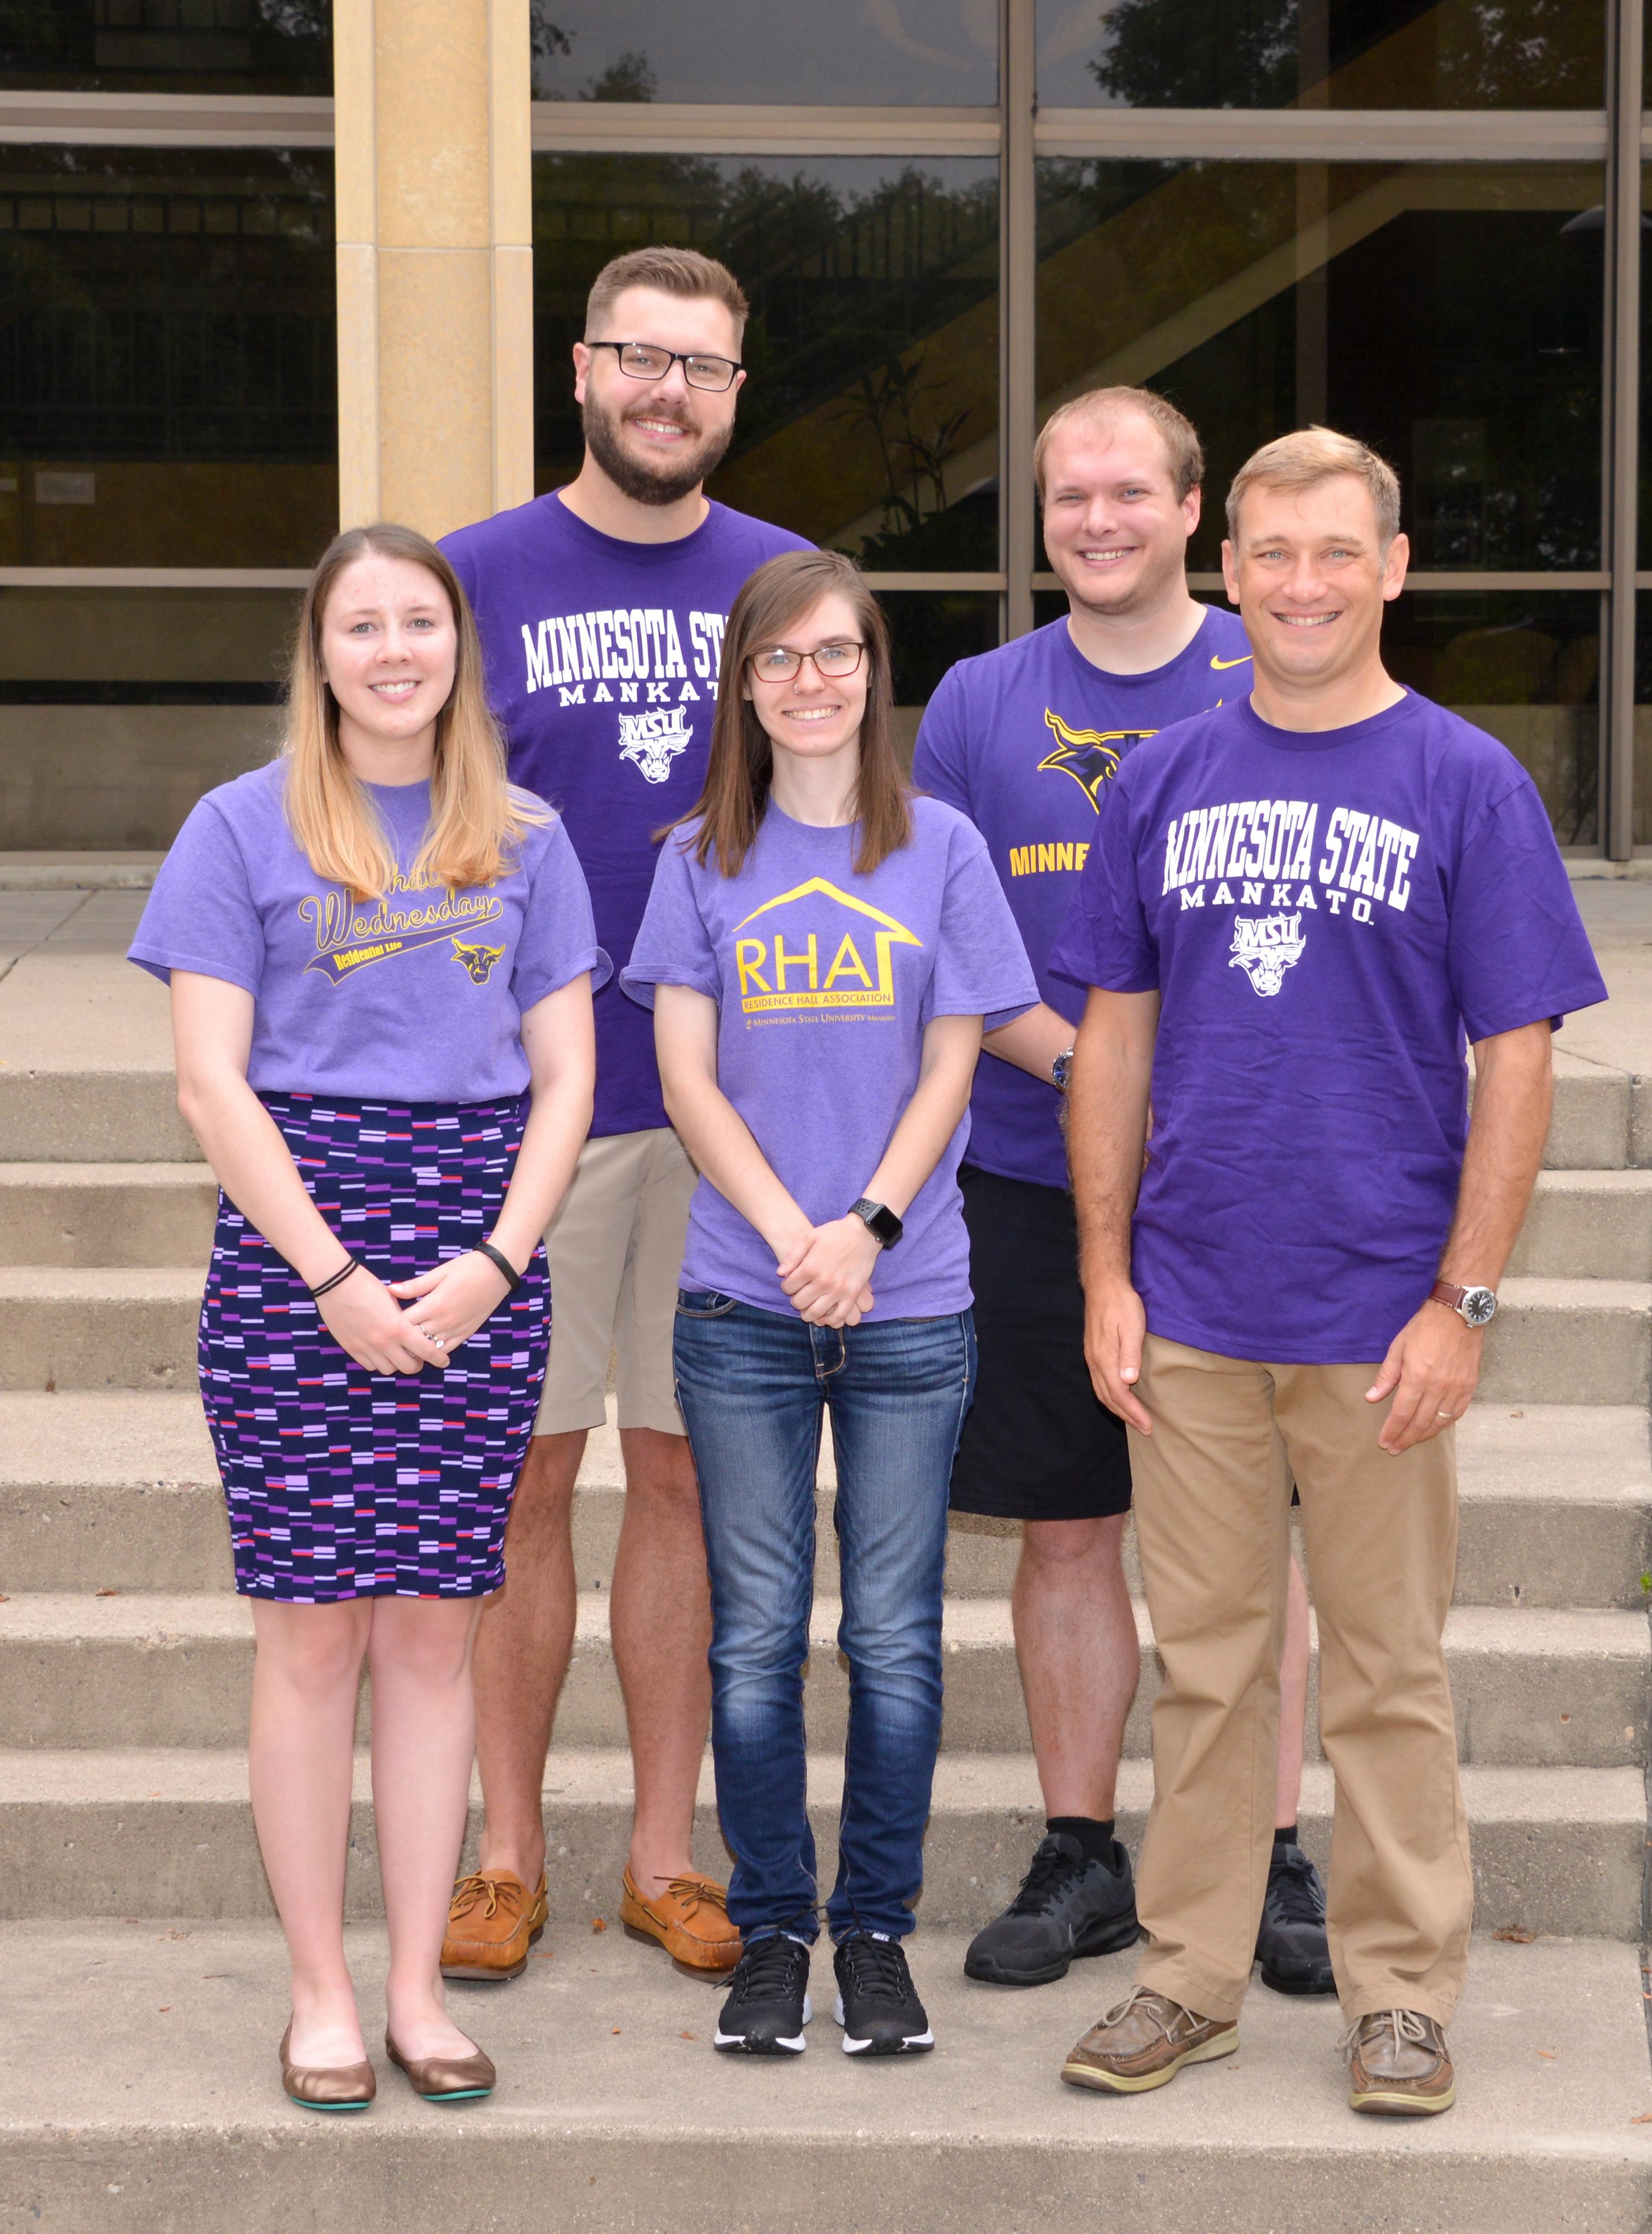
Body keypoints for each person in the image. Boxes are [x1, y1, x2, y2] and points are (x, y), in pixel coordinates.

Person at [1049, 428, 1608, 2111]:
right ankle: (1190, 1976)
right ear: (1232, 569)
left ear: (1394, 567)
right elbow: (1112, 1045)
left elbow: (1518, 1055)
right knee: (1208, 1664)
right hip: (1198, 1308)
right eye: (1273, 554)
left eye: (1335, 554)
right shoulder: (1160, 778)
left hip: (1380, 1319)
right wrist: (1105, 1272)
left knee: (1384, 1672)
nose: (1302, 584)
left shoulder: (1465, 782)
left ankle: (1401, 1993)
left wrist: (1467, 1299)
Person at [129, 524, 603, 2109]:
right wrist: (331, 1274)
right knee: (313, 1638)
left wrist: (498, 1263)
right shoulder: (238, 827)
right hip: (296, 1255)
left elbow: (566, 1082)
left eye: (422, 622)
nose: (395, 651)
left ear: (460, 647)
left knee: (432, 1639)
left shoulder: (528, 835)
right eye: (362, 626)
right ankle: (319, 1992)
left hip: (479, 1252)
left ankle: (415, 1989)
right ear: (319, 653)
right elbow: (212, 1082)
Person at [914, 386, 1332, 1999]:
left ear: (1191, 507)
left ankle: (1264, 1849)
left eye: (1127, 493)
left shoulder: (1280, 659)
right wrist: (1099, 1077)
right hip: (1025, 1173)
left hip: (1243, 1189)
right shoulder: (976, 699)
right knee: (1072, 1529)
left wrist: (1173, 1093)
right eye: (1067, 495)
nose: (1096, 519)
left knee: (1256, 1550)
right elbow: (951, 941)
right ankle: (1084, 1852)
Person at [438, 246, 811, 1985]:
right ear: (582, 369)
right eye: (643, 361)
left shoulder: (788, 587)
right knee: (523, 1486)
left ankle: (666, 1855)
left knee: (684, 1480)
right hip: (533, 1110)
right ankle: (505, 1854)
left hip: (734, 1111)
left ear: (738, 392)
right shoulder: (474, 576)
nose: (672, 394)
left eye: (706, 369)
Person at [623, 549, 1036, 2059]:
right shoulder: (693, 863)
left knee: (897, 1636)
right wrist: (796, 1231)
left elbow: (954, 1062)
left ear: (875, 673)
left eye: (841, 654)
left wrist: (863, 1227)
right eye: (783, 657)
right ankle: (772, 1927)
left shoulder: (940, 849)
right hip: (741, 1302)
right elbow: (684, 1075)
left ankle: (873, 1932)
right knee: (750, 1640)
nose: (814, 680)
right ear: (744, 684)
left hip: (911, 1298)